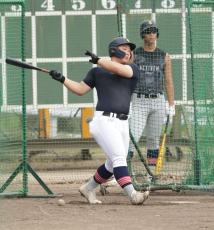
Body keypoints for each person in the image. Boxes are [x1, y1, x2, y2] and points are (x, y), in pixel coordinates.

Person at [49, 37, 149, 205]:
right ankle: (133, 195)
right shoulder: (97, 72)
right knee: (119, 159)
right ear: (114, 50)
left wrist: (98, 60)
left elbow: (118, 70)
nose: (129, 52)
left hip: (123, 123)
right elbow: (81, 90)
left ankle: (88, 188)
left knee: (111, 165)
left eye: (129, 49)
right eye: (124, 48)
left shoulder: (132, 69)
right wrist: (62, 79)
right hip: (104, 121)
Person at [129, 20, 175, 166]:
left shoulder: (164, 56)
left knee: (153, 139)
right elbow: (126, 77)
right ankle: (122, 173)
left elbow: (168, 81)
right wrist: (127, 102)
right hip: (139, 99)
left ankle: (150, 175)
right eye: (148, 31)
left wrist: (171, 104)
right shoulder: (134, 55)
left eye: (154, 30)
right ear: (143, 34)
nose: (151, 34)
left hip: (158, 101)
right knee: (132, 138)